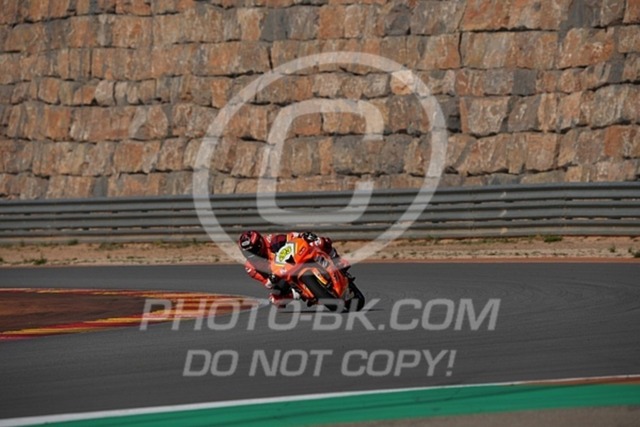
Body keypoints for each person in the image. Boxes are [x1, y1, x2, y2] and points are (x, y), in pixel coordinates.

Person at [238, 230, 352, 307]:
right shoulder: (251, 268)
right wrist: (272, 280)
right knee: (275, 299)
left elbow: (291, 237)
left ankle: (337, 260)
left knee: (319, 241)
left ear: (260, 244)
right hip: (282, 275)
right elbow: (267, 284)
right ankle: (300, 293)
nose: (251, 254)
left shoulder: (272, 240)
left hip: (295, 258)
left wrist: (303, 235)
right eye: (247, 253)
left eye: (253, 250)